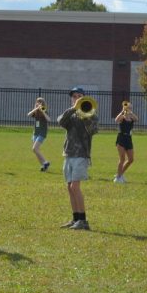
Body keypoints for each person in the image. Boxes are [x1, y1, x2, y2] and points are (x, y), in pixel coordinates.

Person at [57, 87, 98, 231]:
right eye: (74, 96)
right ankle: (75, 218)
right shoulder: (71, 114)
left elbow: (93, 130)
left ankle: (83, 220)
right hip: (68, 153)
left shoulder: (91, 114)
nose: (77, 98)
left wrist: (85, 116)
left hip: (81, 154)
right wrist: (73, 109)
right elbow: (61, 122)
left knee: (75, 187)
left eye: (79, 96)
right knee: (70, 188)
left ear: (84, 97)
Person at [113, 101, 136, 183]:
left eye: (130, 107)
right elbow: (116, 120)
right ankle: (118, 178)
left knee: (131, 159)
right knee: (122, 158)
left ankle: (120, 174)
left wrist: (130, 113)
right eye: (127, 107)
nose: (128, 108)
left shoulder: (132, 117)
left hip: (129, 138)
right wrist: (122, 112)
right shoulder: (122, 117)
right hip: (121, 137)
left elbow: (136, 119)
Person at [28, 97, 51, 172]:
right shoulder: (36, 111)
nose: (39, 103)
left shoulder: (44, 110)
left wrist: (42, 111)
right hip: (35, 133)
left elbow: (49, 119)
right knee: (35, 150)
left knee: (34, 148)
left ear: (43, 104)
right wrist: (36, 109)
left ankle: (45, 162)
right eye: (37, 102)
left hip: (42, 133)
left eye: (40, 102)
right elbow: (28, 114)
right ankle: (44, 166)